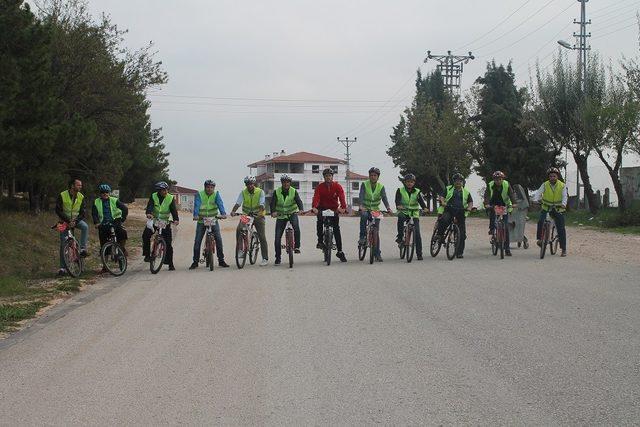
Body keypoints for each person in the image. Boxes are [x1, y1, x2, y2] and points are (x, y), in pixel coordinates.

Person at [190, 180, 229, 269]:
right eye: (208, 187)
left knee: (218, 240)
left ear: (214, 188)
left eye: (212, 187)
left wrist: (223, 214)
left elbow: (220, 204)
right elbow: (197, 205)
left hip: (213, 220)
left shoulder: (216, 194)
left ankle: (221, 261)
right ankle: (195, 262)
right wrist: (195, 215)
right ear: (205, 187)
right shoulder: (199, 194)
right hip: (201, 220)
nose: (210, 189)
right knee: (197, 241)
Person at [230, 176, 269, 266]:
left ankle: (265, 258)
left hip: (258, 215)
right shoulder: (243, 192)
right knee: (239, 229)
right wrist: (233, 211)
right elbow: (238, 203)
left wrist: (260, 212)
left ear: (254, 184)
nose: (250, 185)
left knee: (262, 237)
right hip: (246, 215)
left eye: (251, 183)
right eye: (248, 184)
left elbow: (262, 204)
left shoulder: (260, 192)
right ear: (246, 184)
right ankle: (240, 250)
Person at [311, 168, 347, 262]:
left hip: (334, 209)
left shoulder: (337, 186)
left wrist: (343, 207)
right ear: (324, 177)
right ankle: (320, 241)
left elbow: (342, 197)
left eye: (329, 176)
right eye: (326, 176)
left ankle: (340, 251)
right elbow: (316, 197)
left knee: (336, 229)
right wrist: (314, 207)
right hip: (322, 208)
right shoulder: (319, 187)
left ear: (332, 177)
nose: (328, 177)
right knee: (319, 221)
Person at [55, 179, 89, 276]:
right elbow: (58, 210)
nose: (80, 187)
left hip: (75, 221)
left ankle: (82, 248)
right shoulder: (62, 195)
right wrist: (68, 220)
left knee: (85, 227)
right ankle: (62, 268)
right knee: (63, 244)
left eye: (81, 185)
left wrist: (75, 221)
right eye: (78, 185)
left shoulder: (81, 196)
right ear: (72, 186)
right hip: (64, 222)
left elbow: (83, 212)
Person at [142, 181, 179, 270]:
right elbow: (150, 206)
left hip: (165, 222)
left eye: (166, 189)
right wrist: (148, 213)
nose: (165, 191)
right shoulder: (154, 196)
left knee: (168, 243)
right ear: (159, 190)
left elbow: (173, 210)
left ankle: (170, 263)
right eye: (163, 190)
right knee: (146, 235)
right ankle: (147, 255)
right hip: (155, 220)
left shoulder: (170, 198)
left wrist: (176, 219)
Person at [358, 167, 392, 262]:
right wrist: (361, 206)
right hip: (365, 208)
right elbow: (361, 195)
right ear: (369, 176)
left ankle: (377, 253)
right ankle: (362, 237)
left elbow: (384, 198)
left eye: (375, 175)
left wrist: (388, 208)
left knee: (376, 232)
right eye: (371, 175)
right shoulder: (365, 184)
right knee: (364, 216)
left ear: (378, 177)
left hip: (375, 210)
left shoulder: (381, 187)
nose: (373, 177)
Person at [91, 184, 129, 272]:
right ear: (100, 193)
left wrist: (122, 219)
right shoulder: (96, 202)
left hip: (115, 221)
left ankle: (122, 250)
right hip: (103, 224)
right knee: (104, 243)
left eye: (107, 192)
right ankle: (105, 266)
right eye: (103, 192)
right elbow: (94, 214)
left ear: (109, 193)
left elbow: (125, 209)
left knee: (122, 233)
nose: (105, 194)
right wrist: (96, 222)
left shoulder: (114, 200)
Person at [532, 167, 568, 257]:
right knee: (541, 221)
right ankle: (540, 239)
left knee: (561, 228)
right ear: (548, 177)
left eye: (554, 176)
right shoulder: (545, 184)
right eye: (551, 176)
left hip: (558, 209)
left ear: (557, 176)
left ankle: (563, 249)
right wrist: (536, 199)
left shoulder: (562, 185)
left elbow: (564, 196)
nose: (552, 178)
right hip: (546, 207)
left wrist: (563, 204)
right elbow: (538, 193)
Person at [437, 173, 474, 258]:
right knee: (444, 220)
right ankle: (440, 235)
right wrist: (442, 202)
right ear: (454, 182)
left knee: (462, 234)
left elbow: (470, 202)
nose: (458, 182)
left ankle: (459, 252)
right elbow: (442, 197)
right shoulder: (448, 189)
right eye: (456, 180)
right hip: (449, 210)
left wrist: (469, 208)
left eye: (460, 181)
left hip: (460, 212)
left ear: (462, 182)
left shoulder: (466, 192)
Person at [270, 174, 303, 265]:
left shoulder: (293, 191)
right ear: (282, 183)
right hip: (281, 216)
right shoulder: (277, 192)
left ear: (290, 183)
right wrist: (273, 212)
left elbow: (298, 201)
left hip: (292, 213)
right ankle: (278, 258)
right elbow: (272, 203)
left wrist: (301, 210)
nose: (286, 184)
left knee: (296, 227)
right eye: (284, 182)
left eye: (287, 182)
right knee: (277, 238)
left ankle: (297, 247)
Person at [483, 171, 516, 257]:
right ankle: (492, 229)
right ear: (494, 180)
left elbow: (511, 194)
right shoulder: (490, 185)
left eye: (500, 179)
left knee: (505, 227)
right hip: (493, 204)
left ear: (502, 179)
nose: (498, 181)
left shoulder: (506, 184)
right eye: (496, 179)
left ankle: (507, 249)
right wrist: (486, 204)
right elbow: (487, 195)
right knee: (493, 217)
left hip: (504, 205)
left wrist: (514, 203)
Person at [395, 173, 428, 260]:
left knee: (417, 233)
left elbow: (421, 202)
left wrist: (425, 208)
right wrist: (398, 205)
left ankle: (419, 254)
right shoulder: (400, 190)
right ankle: (400, 237)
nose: (410, 183)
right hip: (404, 212)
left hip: (414, 213)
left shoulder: (417, 191)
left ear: (414, 183)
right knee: (401, 218)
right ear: (405, 182)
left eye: (411, 182)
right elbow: (397, 201)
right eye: (408, 182)